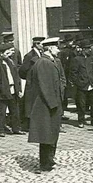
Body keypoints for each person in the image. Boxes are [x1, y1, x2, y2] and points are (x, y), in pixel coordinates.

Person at [27, 37, 66, 172]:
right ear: (49, 48)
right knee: (45, 135)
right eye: (56, 48)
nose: (58, 50)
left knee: (52, 133)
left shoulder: (51, 61)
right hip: (46, 105)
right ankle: (45, 163)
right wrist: (53, 103)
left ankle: (49, 160)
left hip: (52, 104)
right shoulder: (44, 63)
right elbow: (45, 86)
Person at [0, 43, 23, 137]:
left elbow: (16, 77)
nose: (8, 55)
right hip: (3, 92)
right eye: (6, 53)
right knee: (2, 112)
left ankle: (16, 128)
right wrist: (1, 88)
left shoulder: (11, 63)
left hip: (13, 90)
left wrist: (19, 89)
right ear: (1, 54)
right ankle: (0, 129)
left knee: (15, 111)